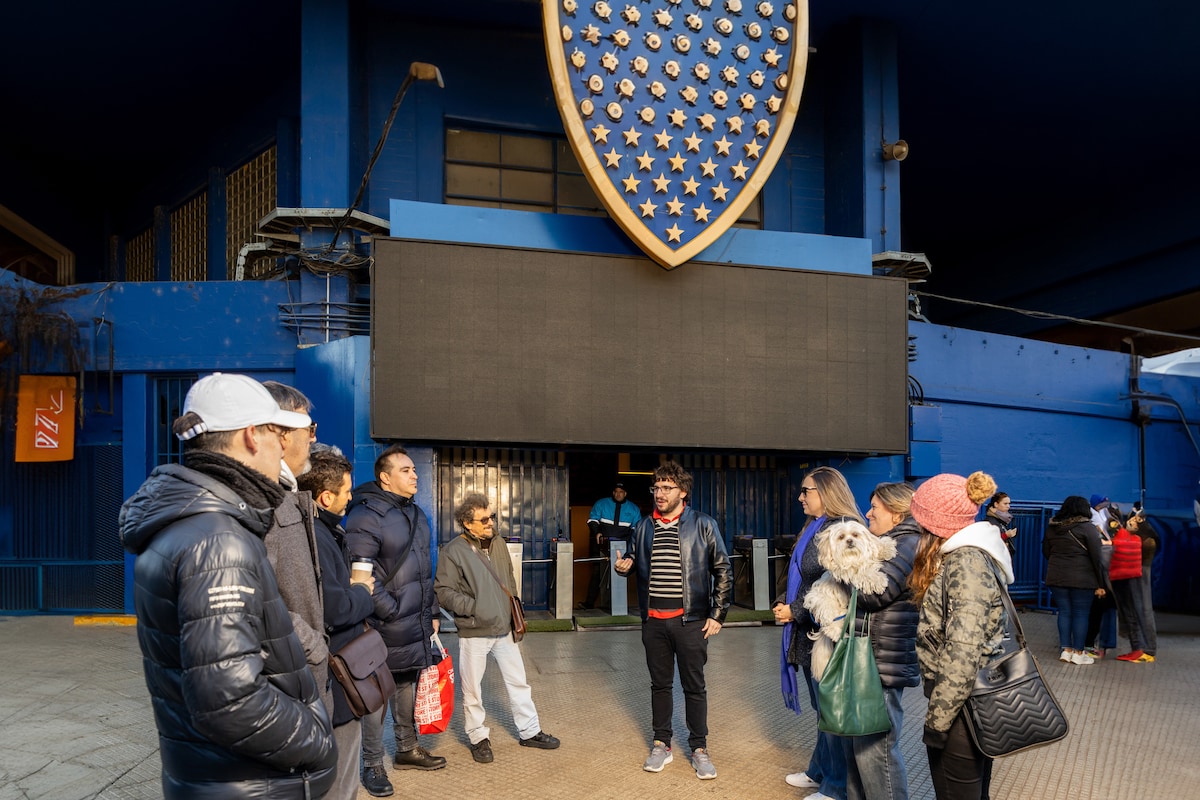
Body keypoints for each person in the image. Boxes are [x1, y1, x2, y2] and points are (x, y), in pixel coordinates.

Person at [118, 372, 335, 798]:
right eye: (279, 434)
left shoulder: (193, 524)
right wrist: (316, 739)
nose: (285, 448)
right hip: (251, 782)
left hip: (217, 777)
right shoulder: (220, 542)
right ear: (253, 435)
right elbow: (229, 702)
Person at [614, 461, 731, 781]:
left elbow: (723, 569)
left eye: (667, 488)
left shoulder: (703, 524)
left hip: (690, 622)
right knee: (660, 686)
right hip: (653, 622)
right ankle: (661, 743)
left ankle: (699, 748)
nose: (659, 494)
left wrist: (718, 614)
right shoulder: (642, 527)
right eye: (656, 488)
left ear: (683, 492)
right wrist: (624, 567)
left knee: (695, 687)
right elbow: (634, 559)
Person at [345, 445, 444, 797]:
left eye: (414, 470)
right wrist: (391, 610)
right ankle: (373, 764)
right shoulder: (365, 516)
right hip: (381, 624)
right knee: (376, 696)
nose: (414, 474)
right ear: (385, 477)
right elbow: (359, 576)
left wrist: (430, 612)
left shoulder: (415, 514)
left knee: (407, 683)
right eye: (405, 470)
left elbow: (424, 573)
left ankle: (406, 749)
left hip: (414, 621)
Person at [909, 471, 1014, 800]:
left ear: (936, 523)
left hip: (963, 711)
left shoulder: (966, 562)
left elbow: (963, 651)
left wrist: (938, 721)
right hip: (966, 705)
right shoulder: (966, 556)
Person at [435, 492, 561, 763]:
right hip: (474, 631)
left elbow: (510, 580)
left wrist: (513, 607)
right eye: (484, 519)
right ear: (467, 523)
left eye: (491, 516)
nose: (490, 522)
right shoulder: (453, 551)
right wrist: (475, 607)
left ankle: (529, 731)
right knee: (472, 690)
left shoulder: (500, 544)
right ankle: (478, 737)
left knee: (519, 682)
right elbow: (443, 592)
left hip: (504, 629)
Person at [772, 466, 864, 800]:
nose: (800, 497)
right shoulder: (816, 526)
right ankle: (819, 771)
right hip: (809, 631)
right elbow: (800, 574)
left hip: (828, 636)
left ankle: (836, 787)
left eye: (805, 491)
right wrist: (784, 601)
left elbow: (836, 589)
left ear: (825, 493)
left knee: (831, 713)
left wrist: (794, 610)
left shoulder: (843, 531)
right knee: (823, 710)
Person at [298, 450, 378, 800]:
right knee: (342, 778)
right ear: (325, 497)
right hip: (337, 676)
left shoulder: (319, 531)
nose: (350, 497)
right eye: (345, 491)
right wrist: (363, 593)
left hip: (332, 674)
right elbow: (334, 607)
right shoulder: (319, 538)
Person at [841, 482, 921, 800]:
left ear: (897, 513)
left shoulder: (906, 543)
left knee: (876, 753)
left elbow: (876, 593)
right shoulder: (890, 542)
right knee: (858, 750)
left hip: (880, 662)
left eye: (875, 507)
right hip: (870, 658)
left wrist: (843, 566)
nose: (868, 513)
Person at [260, 382, 329, 712]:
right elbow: (254, 606)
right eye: (309, 428)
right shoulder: (259, 502)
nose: (313, 438)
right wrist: (314, 646)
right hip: (285, 690)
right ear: (282, 434)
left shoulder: (285, 494)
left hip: (300, 681)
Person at [1042, 495, 1108, 665]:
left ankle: (1066, 650)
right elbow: (1097, 557)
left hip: (1056, 576)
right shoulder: (1088, 528)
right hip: (1082, 578)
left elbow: (1046, 551)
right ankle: (1079, 653)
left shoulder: (1052, 528)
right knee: (1081, 613)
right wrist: (1101, 583)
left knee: (1064, 612)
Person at [582, 481, 642, 609]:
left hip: (623, 548)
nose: (618, 494)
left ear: (625, 493)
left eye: (621, 492)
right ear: (612, 492)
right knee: (598, 573)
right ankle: (589, 603)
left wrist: (630, 547)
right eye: (616, 491)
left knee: (621, 573)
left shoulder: (634, 509)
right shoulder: (601, 504)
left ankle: (619, 606)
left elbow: (636, 529)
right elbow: (592, 520)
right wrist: (597, 532)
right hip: (602, 546)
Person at [1113, 509, 1160, 663]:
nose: (1130, 523)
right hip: (1141, 571)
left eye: (1133, 521)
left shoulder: (1144, 539)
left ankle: (1146, 649)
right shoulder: (1151, 536)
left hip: (1136, 572)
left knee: (1141, 609)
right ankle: (1142, 648)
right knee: (1140, 609)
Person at [982, 492, 1017, 559]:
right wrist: (1006, 535)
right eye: (1005, 503)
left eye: (1009, 503)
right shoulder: (990, 521)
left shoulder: (1001, 520)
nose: (1008, 506)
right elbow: (989, 541)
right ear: (996, 504)